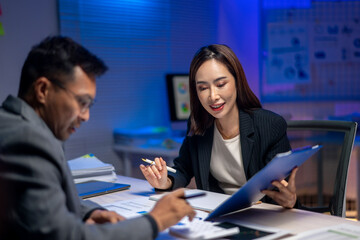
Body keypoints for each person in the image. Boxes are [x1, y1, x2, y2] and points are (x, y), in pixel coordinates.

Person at [0, 36, 195, 239]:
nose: (86, 116)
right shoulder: (27, 140)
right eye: (82, 102)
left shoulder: (16, 125)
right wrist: (155, 221)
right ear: (43, 90)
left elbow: (47, 201)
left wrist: (91, 213)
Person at [140, 44, 298, 209]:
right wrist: (164, 181)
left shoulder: (270, 125)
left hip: (262, 214)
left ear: (237, 81)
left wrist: (289, 199)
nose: (212, 96)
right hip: (218, 213)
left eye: (221, 84)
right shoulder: (198, 124)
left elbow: (282, 187)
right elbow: (182, 170)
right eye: (203, 88)